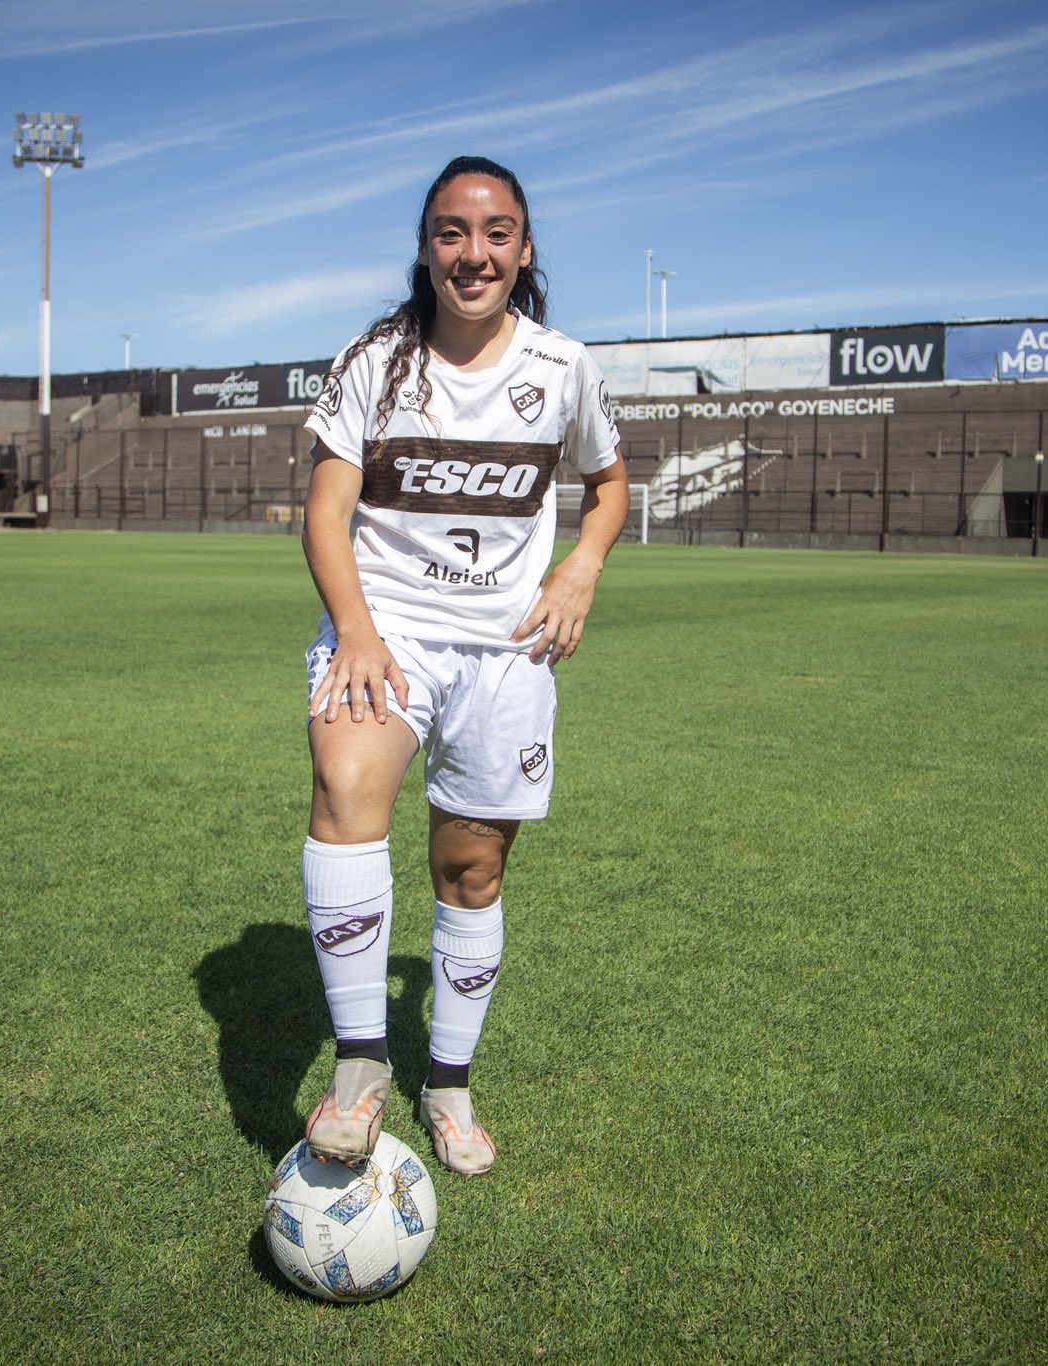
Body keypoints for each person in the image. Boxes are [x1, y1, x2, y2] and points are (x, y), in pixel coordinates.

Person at [298, 155, 629, 1177]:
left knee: (469, 867)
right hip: (385, 630)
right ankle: (359, 1065)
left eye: (494, 233)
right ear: (425, 247)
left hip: (506, 650)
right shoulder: (375, 361)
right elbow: (325, 509)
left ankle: (447, 1077)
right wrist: (354, 630)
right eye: (450, 231)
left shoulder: (563, 367)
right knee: (345, 787)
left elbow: (609, 484)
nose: (471, 252)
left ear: (523, 251)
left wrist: (579, 568)